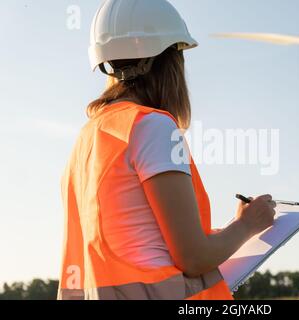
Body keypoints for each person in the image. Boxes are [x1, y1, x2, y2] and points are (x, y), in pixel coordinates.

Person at [58, 0, 275, 300]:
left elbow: (137, 244)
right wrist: (248, 225)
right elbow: (193, 257)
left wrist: (230, 230)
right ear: (165, 61)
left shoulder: (87, 138)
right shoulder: (152, 126)